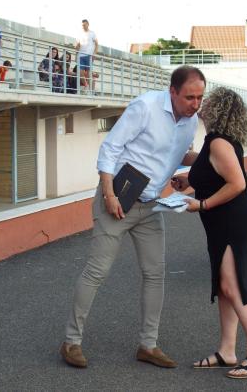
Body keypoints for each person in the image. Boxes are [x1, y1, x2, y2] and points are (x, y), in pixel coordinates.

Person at [60, 65, 206, 369]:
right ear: (173, 92)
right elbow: (110, 150)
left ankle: (148, 346)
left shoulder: (191, 122)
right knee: (97, 272)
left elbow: (175, 153)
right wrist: (110, 195)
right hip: (118, 201)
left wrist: (203, 163)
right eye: (190, 97)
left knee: (155, 274)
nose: (196, 104)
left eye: (200, 98)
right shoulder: (145, 108)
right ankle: (71, 342)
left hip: (152, 205)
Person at [175, 87, 247, 379]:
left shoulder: (218, 144)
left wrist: (201, 203)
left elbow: (237, 184)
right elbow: (208, 171)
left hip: (232, 221)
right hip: (221, 222)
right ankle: (227, 351)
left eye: (207, 102)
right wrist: (187, 181)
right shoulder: (215, 142)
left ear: (216, 109)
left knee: (234, 286)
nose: (200, 105)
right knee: (224, 287)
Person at [75, 19, 98, 90]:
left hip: (89, 55)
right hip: (81, 55)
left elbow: (97, 44)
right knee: (80, 72)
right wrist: (76, 53)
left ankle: (89, 88)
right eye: (82, 25)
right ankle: (86, 84)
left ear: (88, 24)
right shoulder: (79, 34)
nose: (83, 26)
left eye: (84, 25)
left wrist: (94, 54)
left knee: (88, 73)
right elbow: (76, 46)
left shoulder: (92, 33)